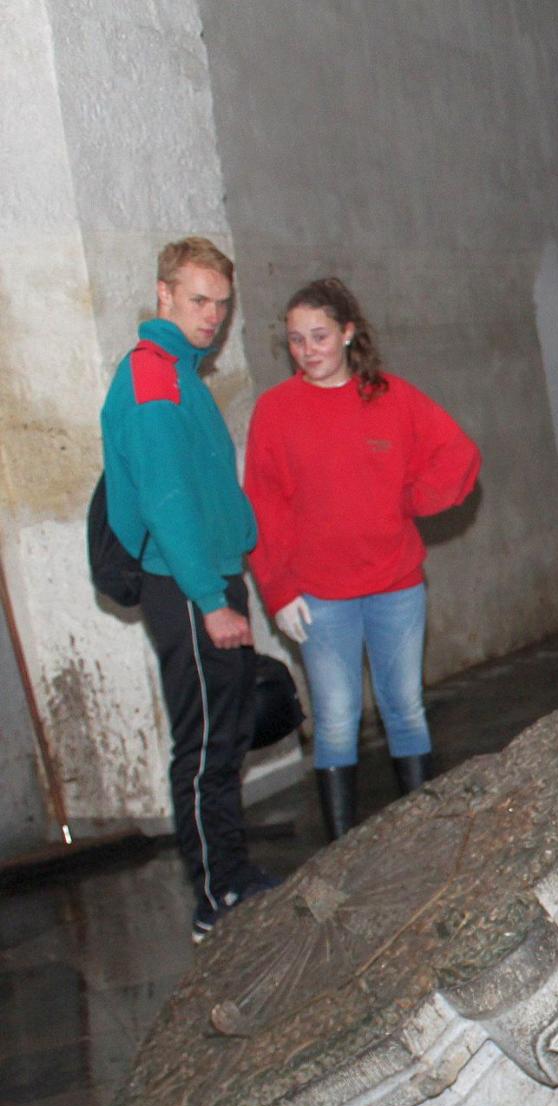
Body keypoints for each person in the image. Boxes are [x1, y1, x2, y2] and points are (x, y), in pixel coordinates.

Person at [244, 279, 481, 839]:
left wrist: (412, 498)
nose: (308, 350)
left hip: (395, 586)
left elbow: (458, 456)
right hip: (319, 597)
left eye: (319, 336)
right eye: (296, 340)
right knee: (335, 722)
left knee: (406, 709)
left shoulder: (392, 398)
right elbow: (263, 505)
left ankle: (423, 836)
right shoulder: (276, 412)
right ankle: (343, 849)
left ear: (349, 333)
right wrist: (278, 591)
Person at [99, 237, 272, 942]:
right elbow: (168, 501)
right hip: (184, 584)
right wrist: (210, 600)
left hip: (205, 573)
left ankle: (231, 876)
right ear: (163, 294)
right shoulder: (153, 377)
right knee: (205, 745)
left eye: (222, 305)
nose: (212, 316)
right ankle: (216, 898)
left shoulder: (181, 372)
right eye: (199, 300)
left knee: (224, 736)